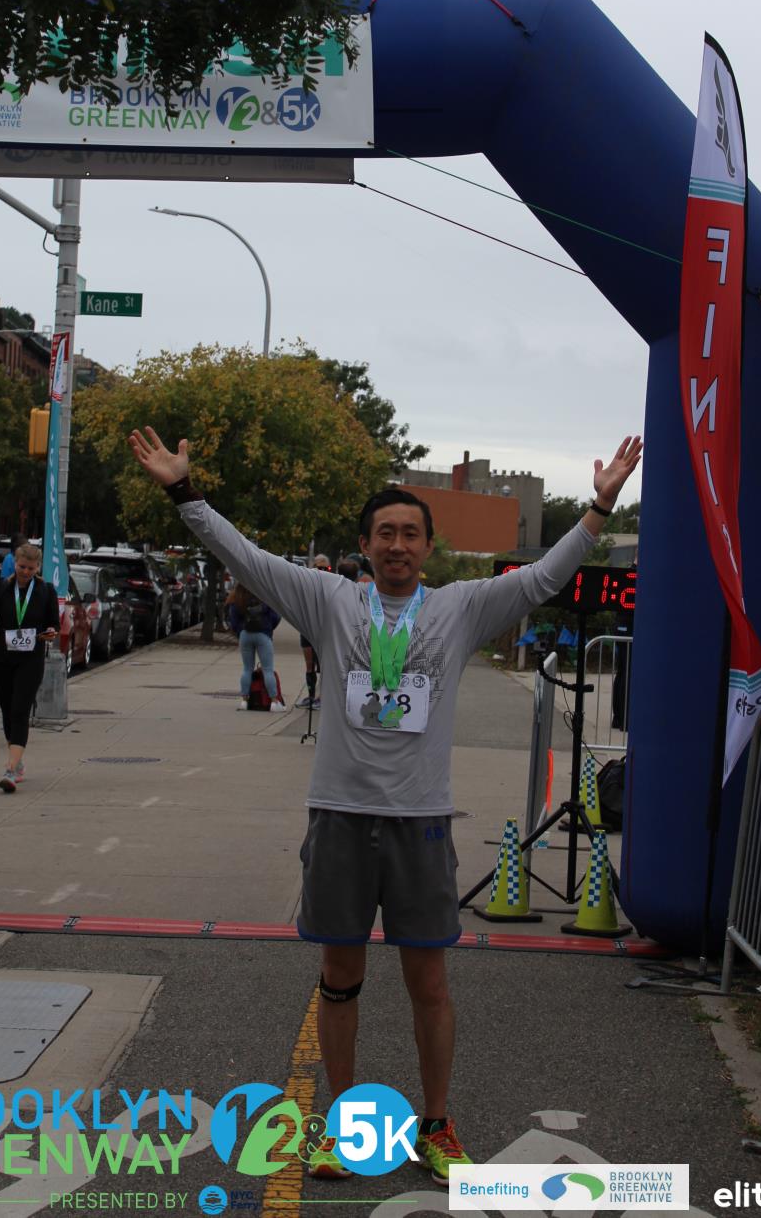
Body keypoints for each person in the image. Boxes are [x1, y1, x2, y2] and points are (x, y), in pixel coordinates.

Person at [128, 426, 641, 1185]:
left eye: (410, 534)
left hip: (420, 823)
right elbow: (246, 558)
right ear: (365, 545)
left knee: (428, 984)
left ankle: (437, 1124)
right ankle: (345, 1126)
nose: (397, 545)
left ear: (427, 547)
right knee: (340, 977)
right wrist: (183, 491)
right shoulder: (330, 599)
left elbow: (542, 578)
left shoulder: (460, 608)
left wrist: (598, 510)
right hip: (340, 815)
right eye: (385, 534)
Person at [0, 541, 59, 792]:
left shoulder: (45, 591)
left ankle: (10, 770)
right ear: (15, 564)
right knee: (8, 710)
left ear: (38, 567)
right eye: (22, 567)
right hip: (3, 658)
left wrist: (50, 632)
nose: (26, 572)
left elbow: (53, 623)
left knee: (20, 710)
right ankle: (17, 759)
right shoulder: (1, 588)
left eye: (31, 568)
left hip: (30, 660)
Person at [226, 581, 285, 712]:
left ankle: (244, 701)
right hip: (263, 634)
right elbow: (275, 617)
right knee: (268, 669)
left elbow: (233, 620)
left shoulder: (237, 596)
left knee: (247, 668)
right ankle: (274, 702)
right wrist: (268, 628)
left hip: (245, 634)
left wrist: (240, 631)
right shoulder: (264, 595)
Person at [298, 555, 332, 710]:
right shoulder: (308, 584)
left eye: (326, 568)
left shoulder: (333, 584)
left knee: (324, 667)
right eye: (319, 568)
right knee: (309, 665)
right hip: (307, 629)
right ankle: (311, 696)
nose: (322, 571)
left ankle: (322, 697)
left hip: (324, 631)